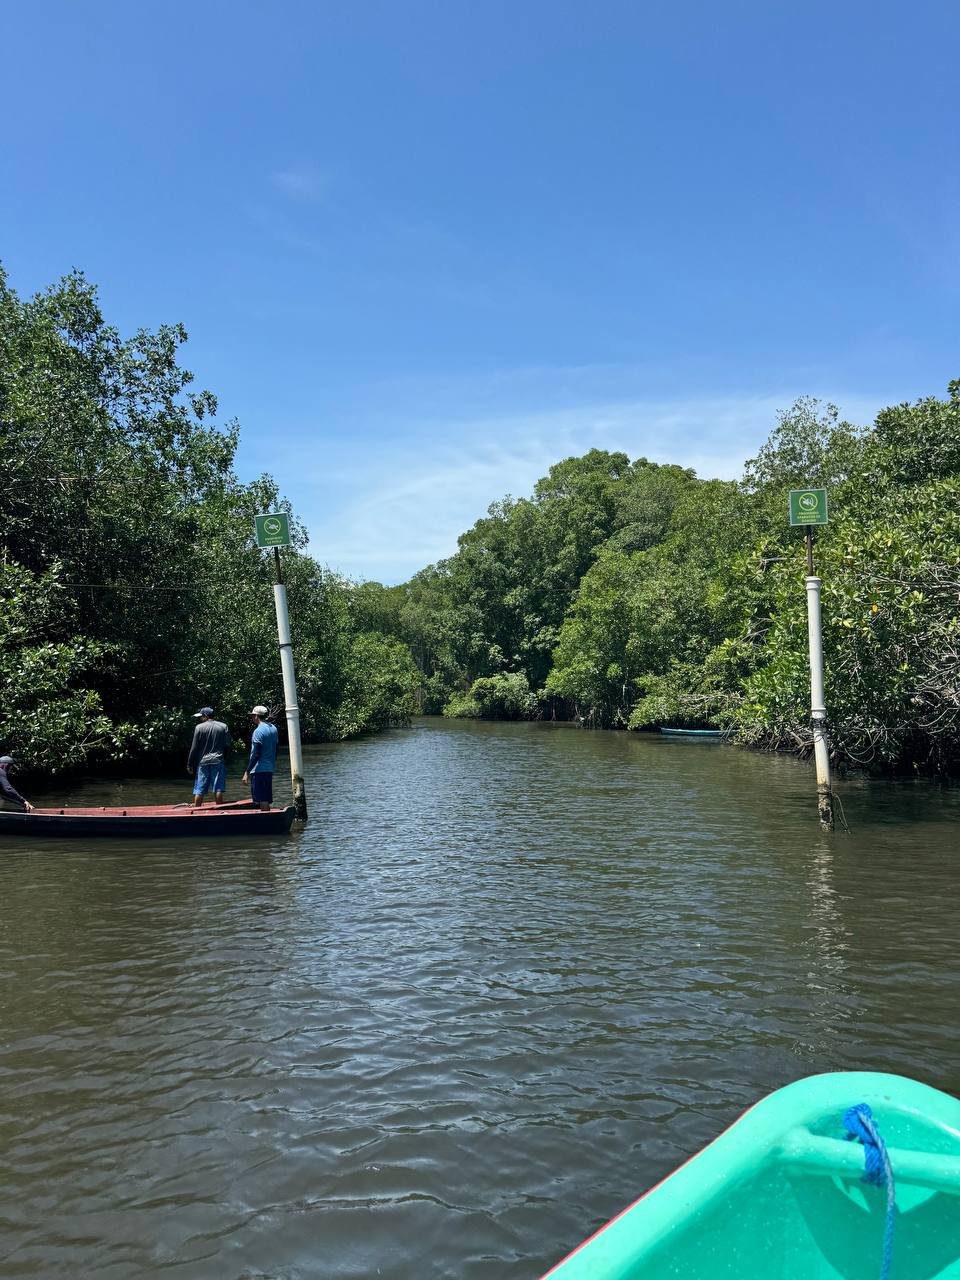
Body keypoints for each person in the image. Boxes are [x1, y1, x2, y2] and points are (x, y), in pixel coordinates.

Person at [186, 707, 231, 807]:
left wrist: (189, 763)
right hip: (218, 760)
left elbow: (194, 748)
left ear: (205, 716)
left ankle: (197, 810)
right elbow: (227, 745)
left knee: (199, 789)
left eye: (201, 716)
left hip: (203, 762)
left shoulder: (199, 727)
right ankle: (219, 810)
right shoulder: (223, 726)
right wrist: (225, 759)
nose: (200, 719)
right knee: (218, 788)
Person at [242, 704, 278, 810]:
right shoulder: (274, 729)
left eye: (253, 716)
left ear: (257, 716)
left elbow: (256, 754)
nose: (252, 718)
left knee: (261, 799)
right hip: (269, 768)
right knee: (265, 798)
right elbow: (276, 750)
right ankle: (268, 820)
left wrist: (247, 772)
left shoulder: (258, 731)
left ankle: (265, 821)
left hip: (258, 770)